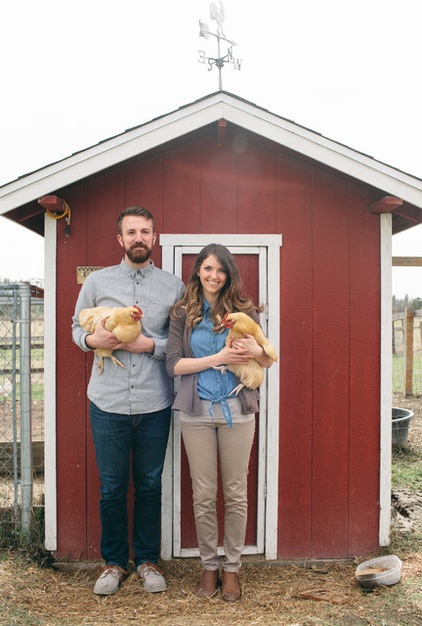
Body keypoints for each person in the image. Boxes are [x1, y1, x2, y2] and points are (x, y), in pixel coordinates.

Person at [72, 206, 184, 596]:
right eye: (131, 232)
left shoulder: (173, 287)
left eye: (145, 231)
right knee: (113, 487)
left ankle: (148, 560)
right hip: (107, 402)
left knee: (150, 485)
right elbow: (75, 327)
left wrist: (149, 345)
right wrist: (91, 340)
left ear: (154, 237)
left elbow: (184, 343)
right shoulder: (98, 282)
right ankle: (114, 563)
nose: (139, 237)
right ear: (120, 240)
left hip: (155, 402)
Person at [165, 244, 275, 602]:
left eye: (221, 270)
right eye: (208, 268)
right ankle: (208, 566)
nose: (214, 276)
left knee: (235, 492)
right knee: (204, 494)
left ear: (229, 275)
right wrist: (219, 356)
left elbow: (268, 359)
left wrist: (253, 353)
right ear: (198, 271)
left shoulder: (244, 310)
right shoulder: (183, 312)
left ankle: (232, 570)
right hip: (196, 412)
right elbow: (174, 365)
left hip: (237, 411)